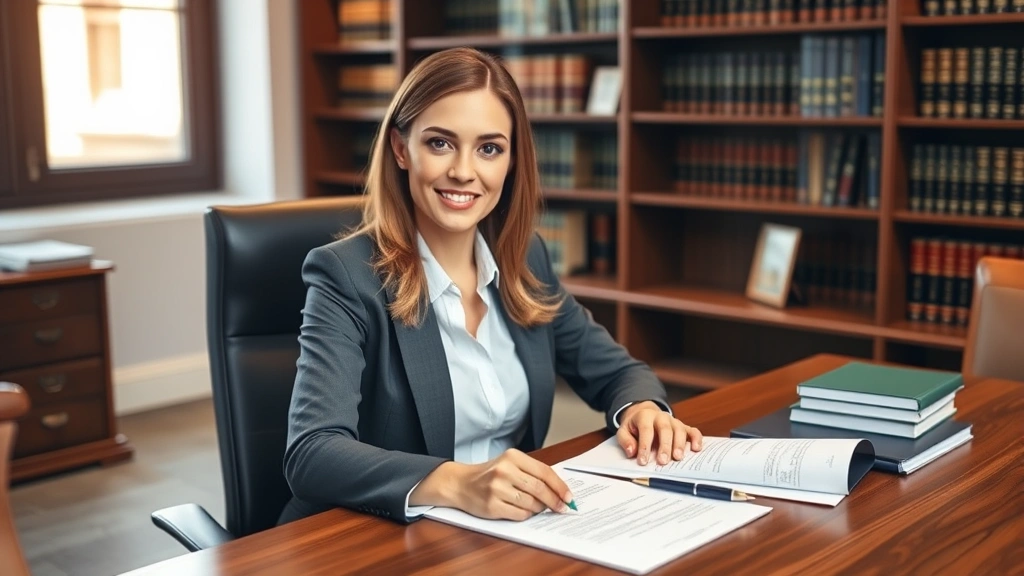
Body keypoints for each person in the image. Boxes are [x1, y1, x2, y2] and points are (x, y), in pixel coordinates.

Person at [279, 47, 703, 526]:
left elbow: (617, 372)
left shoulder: (524, 260)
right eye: (440, 143)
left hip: (503, 536)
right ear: (402, 148)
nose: (464, 171)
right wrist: (458, 482)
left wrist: (642, 407)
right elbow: (313, 452)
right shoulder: (346, 275)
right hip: (372, 538)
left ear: (511, 160)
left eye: (489, 148)